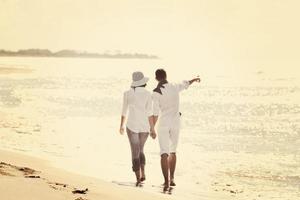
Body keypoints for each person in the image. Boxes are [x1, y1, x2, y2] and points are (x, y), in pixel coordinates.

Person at [152, 69, 200, 190]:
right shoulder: (174, 86)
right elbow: (186, 83)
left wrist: (152, 128)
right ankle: (172, 178)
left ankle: (166, 181)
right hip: (175, 123)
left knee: (164, 152)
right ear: (166, 76)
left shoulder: (156, 92)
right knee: (173, 151)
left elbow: (155, 113)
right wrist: (194, 79)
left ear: (156, 78)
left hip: (163, 124)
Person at [119, 71, 156, 186]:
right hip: (144, 127)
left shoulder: (127, 93)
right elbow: (150, 113)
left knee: (134, 152)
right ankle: (143, 173)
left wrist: (121, 126)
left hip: (132, 126)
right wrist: (153, 128)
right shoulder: (148, 94)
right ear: (143, 82)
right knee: (141, 150)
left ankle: (138, 177)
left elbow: (124, 111)